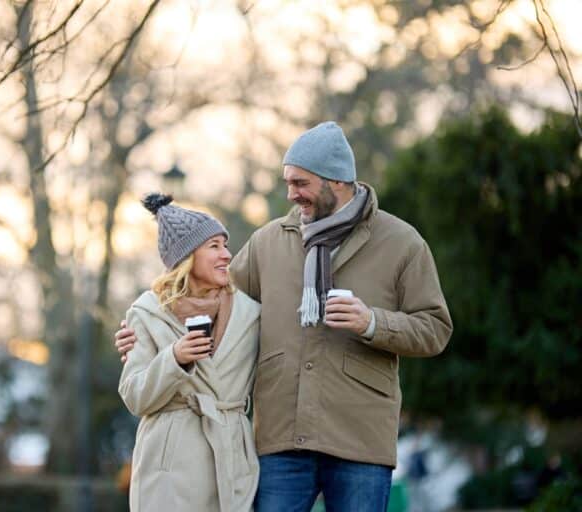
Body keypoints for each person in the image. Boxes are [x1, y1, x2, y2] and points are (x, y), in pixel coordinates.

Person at [116, 122, 453, 512]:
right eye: (288, 182)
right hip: (280, 440)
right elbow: (211, 294)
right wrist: (142, 330)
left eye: (301, 183)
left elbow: (435, 328)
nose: (291, 194)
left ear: (337, 181)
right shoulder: (269, 241)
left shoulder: (401, 242)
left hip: (360, 438)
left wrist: (372, 323)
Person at [118, 193, 261, 512]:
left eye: (225, 245)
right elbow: (134, 396)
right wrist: (174, 359)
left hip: (231, 457)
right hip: (171, 467)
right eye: (214, 247)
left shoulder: (250, 313)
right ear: (186, 258)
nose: (227, 254)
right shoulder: (146, 313)